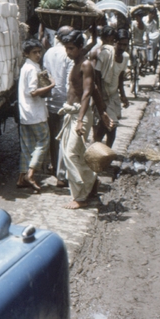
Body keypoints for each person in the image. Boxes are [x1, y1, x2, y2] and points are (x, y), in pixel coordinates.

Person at [57, 30, 113, 210]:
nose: (68, 52)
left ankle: (81, 194)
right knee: (74, 153)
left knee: (71, 154)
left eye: (71, 48)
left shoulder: (86, 64)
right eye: (66, 48)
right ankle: (88, 186)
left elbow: (88, 92)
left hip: (79, 114)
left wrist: (81, 120)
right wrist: (103, 112)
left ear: (81, 47)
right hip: (72, 113)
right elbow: (94, 89)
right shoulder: (76, 64)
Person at [17, 38, 56, 193]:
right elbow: (33, 92)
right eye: (34, 52)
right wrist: (51, 84)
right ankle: (31, 174)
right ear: (27, 54)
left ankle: (21, 178)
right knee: (43, 141)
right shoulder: (32, 68)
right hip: (35, 113)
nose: (38, 55)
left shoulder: (26, 67)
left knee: (27, 146)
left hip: (25, 112)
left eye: (39, 52)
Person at [43, 25, 74, 187]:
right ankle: (61, 175)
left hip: (50, 100)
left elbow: (45, 75)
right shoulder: (69, 54)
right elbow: (69, 82)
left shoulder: (48, 53)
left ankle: (54, 166)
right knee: (63, 139)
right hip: (64, 101)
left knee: (53, 137)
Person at [93, 28, 130, 147]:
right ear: (115, 42)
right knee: (111, 124)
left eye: (125, 44)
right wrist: (100, 94)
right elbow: (97, 74)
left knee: (108, 125)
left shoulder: (125, 57)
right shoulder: (106, 54)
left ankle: (101, 151)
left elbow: (120, 77)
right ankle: (100, 150)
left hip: (113, 93)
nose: (123, 47)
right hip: (103, 91)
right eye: (120, 44)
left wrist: (123, 95)